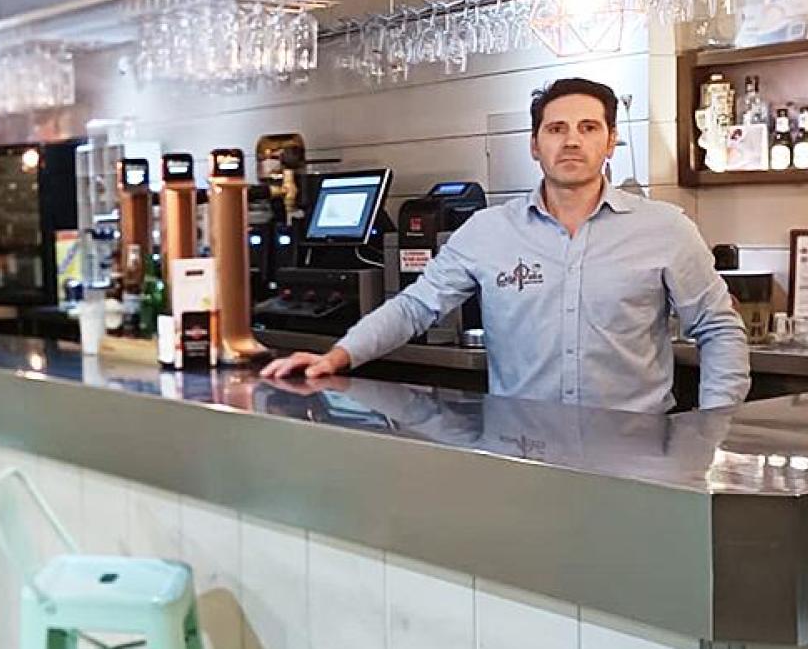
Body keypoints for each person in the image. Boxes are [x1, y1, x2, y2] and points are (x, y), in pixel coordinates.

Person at [261, 77, 750, 413]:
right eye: (556, 129)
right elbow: (414, 307)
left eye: (588, 128)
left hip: (638, 455)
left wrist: (712, 428)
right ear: (535, 144)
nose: (572, 141)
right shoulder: (487, 231)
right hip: (521, 452)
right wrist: (336, 357)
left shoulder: (665, 228)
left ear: (610, 142)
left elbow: (719, 329)